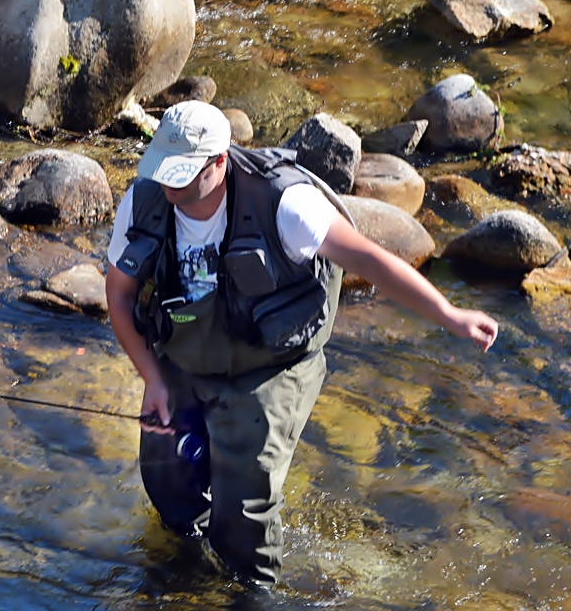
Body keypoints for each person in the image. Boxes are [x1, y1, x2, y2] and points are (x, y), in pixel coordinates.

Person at [104, 101, 498, 585]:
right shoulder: (143, 203)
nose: (170, 185)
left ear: (220, 162)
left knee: (243, 507)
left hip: (271, 361)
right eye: (164, 169)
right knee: (166, 478)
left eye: (183, 174)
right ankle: (185, 576)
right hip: (184, 354)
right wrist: (153, 378)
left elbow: (370, 261)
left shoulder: (284, 203)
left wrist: (448, 314)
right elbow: (119, 298)